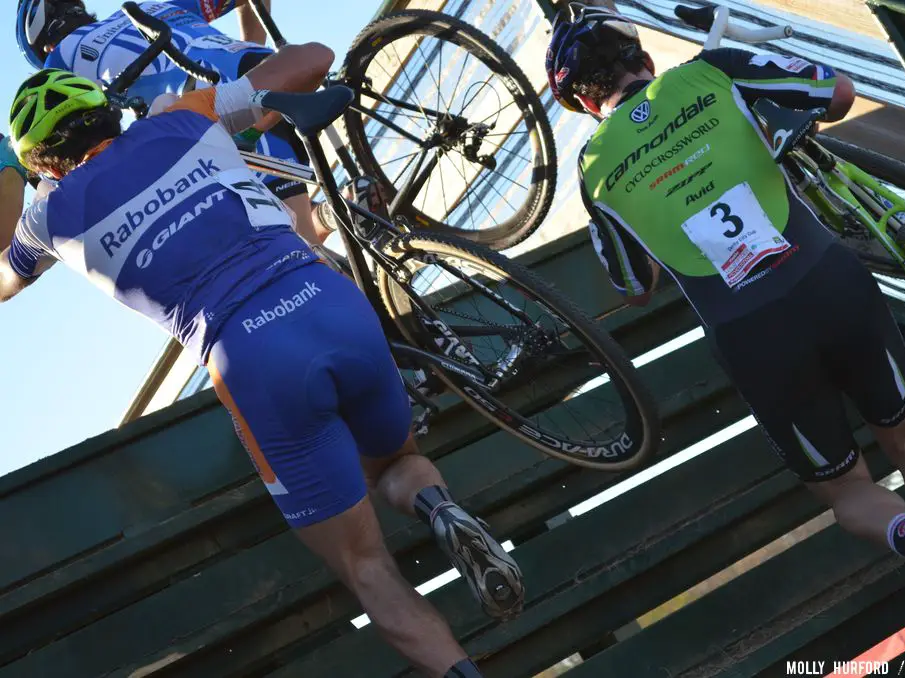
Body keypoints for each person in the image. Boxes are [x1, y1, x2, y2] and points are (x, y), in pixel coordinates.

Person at [1, 46, 523, 678]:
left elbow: (5, 279)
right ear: (105, 113)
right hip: (328, 299)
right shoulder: (181, 117)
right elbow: (314, 58)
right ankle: (440, 508)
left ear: (44, 166)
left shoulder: (47, 217)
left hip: (248, 353)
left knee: (365, 567)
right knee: (397, 461)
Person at [545, 3, 905, 659]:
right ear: (642, 58)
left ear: (579, 102)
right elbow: (839, 93)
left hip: (753, 332)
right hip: (830, 280)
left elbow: (633, 286)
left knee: (846, 488)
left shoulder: (595, 167)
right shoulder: (707, 73)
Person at [15, 0, 335, 246]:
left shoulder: (61, 63)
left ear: (46, 46)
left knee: (301, 257)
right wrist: (248, 54)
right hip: (270, 75)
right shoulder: (148, 6)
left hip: (225, 117)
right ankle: (342, 214)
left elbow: (65, 165)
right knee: (299, 229)